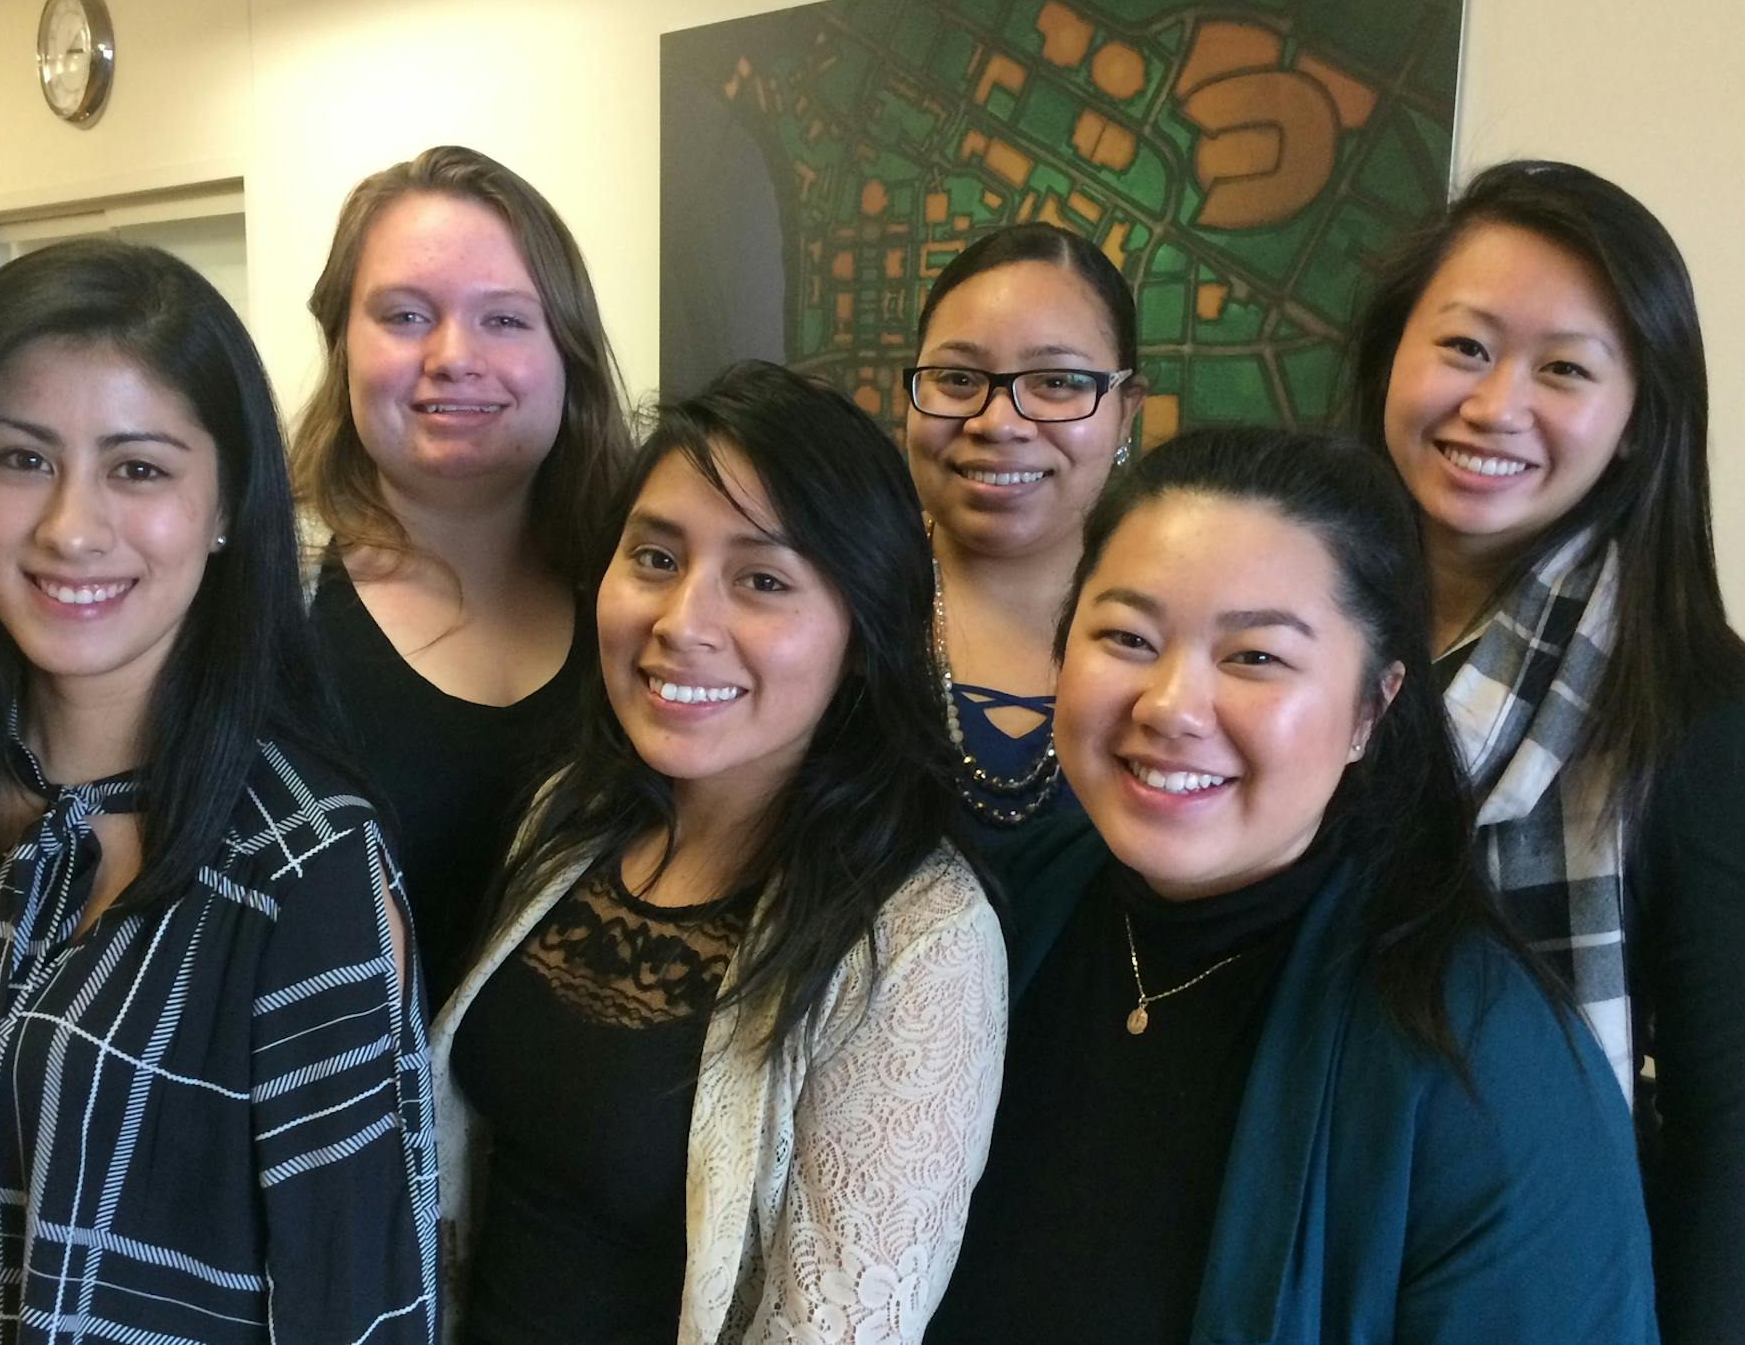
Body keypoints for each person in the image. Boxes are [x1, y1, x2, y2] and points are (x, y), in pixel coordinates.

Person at [0, 241, 436, 1342]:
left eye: (139, 468)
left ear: (227, 507)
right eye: (21, 459)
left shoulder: (305, 870)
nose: (69, 527)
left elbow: (356, 1290)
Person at [928, 427, 1657, 1344]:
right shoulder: (984, 917)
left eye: (1256, 658)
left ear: (1372, 707)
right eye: (1126, 636)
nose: (1170, 707)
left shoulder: (1486, 1059)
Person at [429, 361, 1006, 1343]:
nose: (682, 622)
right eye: (654, 558)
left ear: (862, 631)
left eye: (764, 579)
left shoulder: (919, 939)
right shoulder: (571, 815)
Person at [1345, 158, 1745, 1341]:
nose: (1496, 405)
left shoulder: (1713, 716)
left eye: (1563, 368)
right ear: (1391, 357)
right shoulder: (1289, 639)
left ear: (1634, 423)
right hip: (1284, 1237)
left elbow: (1724, 1129)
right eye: (1464, 346)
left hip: (1528, 1289)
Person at [293, 144, 631, 1004]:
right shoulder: (258, 609)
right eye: (405, 316)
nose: (453, 355)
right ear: (343, 346)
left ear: (569, 353)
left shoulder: (648, 603)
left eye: (506, 320)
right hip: (344, 1130)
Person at [902, 223, 1144, 832]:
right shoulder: (839, 602)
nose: (998, 423)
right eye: (957, 379)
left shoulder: (1183, 632)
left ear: (1126, 414)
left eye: (1058, 382)